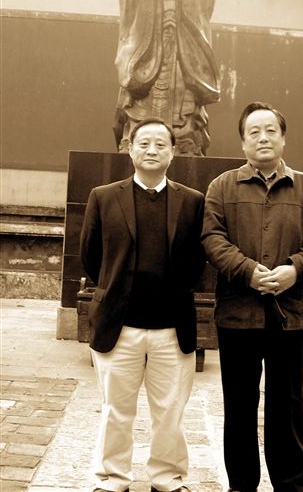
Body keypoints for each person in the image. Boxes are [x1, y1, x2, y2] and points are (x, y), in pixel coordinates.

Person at [201, 102, 303, 492]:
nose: (263, 137)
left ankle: (290, 483)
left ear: (283, 138)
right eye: (254, 132)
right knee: (239, 405)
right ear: (243, 142)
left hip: (288, 314)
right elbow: (211, 238)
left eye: (270, 130)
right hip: (237, 314)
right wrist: (247, 271)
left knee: (287, 405)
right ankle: (242, 484)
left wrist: (295, 269)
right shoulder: (221, 187)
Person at [80, 117, 206, 492]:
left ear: (173, 152)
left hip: (172, 326)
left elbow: (198, 261)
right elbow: (91, 256)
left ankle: (167, 479)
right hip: (119, 326)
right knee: (116, 410)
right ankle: (112, 479)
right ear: (130, 148)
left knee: (170, 412)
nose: (152, 150)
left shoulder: (192, 201)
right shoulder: (103, 197)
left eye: (160, 144)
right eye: (144, 143)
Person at [114, 0, 220, 155]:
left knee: (183, 87)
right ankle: (140, 139)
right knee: (142, 89)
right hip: (147, 36)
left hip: (182, 37)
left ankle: (183, 139)